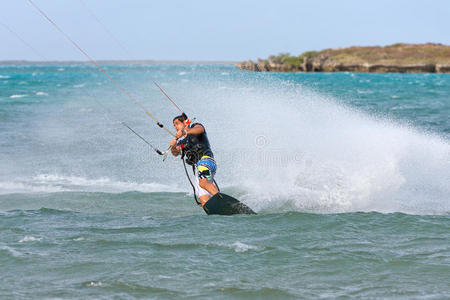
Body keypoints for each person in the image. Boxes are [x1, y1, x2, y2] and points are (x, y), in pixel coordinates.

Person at [170, 113, 218, 206]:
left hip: (206, 160)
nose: (175, 126)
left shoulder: (196, 127)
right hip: (198, 169)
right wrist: (173, 146)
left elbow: (200, 130)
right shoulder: (182, 142)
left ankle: (221, 200)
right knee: (204, 200)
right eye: (174, 125)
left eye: (177, 123)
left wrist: (185, 131)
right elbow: (175, 153)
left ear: (185, 122)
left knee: (203, 183)